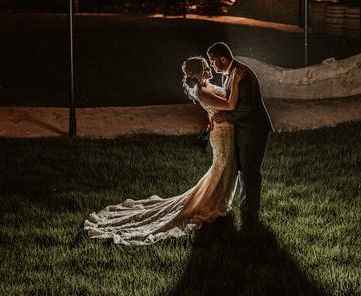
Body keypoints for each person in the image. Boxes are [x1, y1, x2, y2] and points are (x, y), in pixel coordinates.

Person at [84, 56, 240, 245]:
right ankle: (216, 205)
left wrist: (212, 117)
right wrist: (237, 81)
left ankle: (219, 201)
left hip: (223, 130)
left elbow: (214, 108)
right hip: (223, 134)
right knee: (223, 167)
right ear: (199, 74)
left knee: (226, 168)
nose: (210, 71)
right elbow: (230, 104)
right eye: (207, 68)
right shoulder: (202, 91)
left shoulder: (205, 87)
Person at [205, 41, 274, 226]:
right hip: (242, 131)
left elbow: (247, 107)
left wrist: (226, 116)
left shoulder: (242, 75)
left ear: (223, 58)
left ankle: (250, 215)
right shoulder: (229, 73)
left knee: (249, 172)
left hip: (253, 131)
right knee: (242, 170)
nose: (212, 64)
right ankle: (244, 210)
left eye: (213, 61)